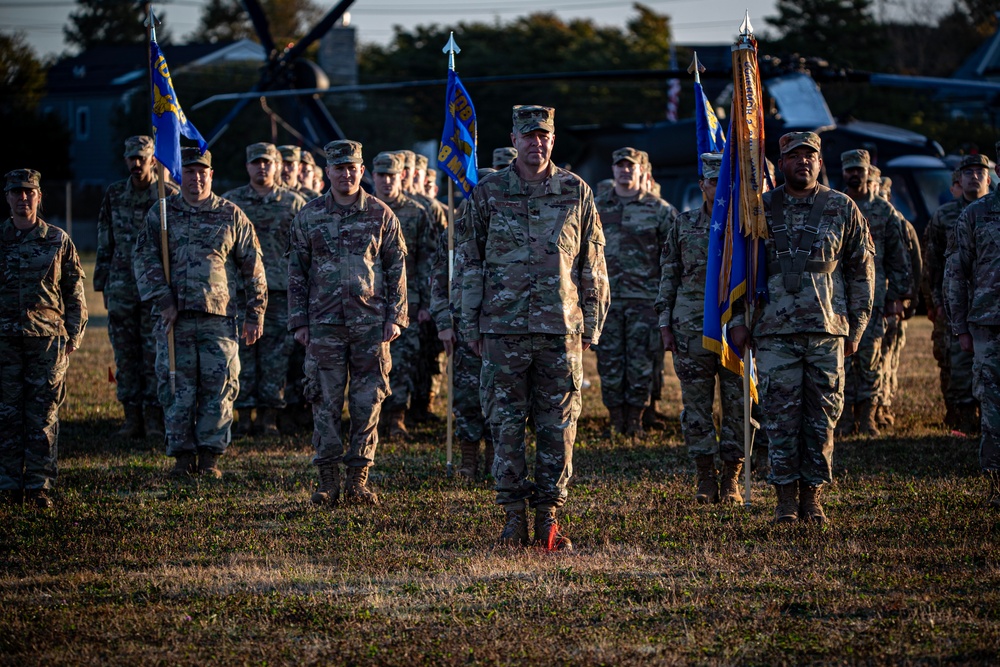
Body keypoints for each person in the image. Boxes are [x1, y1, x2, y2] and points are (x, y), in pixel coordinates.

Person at [458, 105, 610, 550]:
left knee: (557, 427)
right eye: (527, 136)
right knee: (505, 425)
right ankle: (511, 518)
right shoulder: (488, 193)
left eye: (543, 135)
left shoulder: (574, 190)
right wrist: (469, 322)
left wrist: (592, 323)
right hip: (501, 331)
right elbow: (469, 261)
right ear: (514, 138)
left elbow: (592, 261)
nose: (535, 143)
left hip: (559, 330)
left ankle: (548, 517)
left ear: (552, 139)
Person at [730, 132, 875, 525]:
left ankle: (812, 497)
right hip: (774, 332)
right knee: (779, 417)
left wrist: (857, 328)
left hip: (826, 330)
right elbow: (739, 272)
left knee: (822, 416)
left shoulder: (841, 208)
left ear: (820, 160)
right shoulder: (758, 209)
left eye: (809, 156)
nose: (803, 162)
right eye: (794, 156)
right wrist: (740, 322)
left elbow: (862, 272)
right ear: (782, 162)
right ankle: (784, 500)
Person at [134, 147, 267, 479]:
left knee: (219, 388)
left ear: (211, 174)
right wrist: (162, 298)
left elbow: (253, 267)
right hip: (173, 319)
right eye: (189, 172)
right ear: (182, 176)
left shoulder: (231, 215)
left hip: (218, 320)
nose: (195, 178)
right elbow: (144, 258)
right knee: (176, 387)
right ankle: (181, 456)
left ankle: (210, 457)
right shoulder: (162, 214)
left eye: (201, 172)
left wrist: (256, 313)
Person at [287, 140, 408, 506]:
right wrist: (299, 321)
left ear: (361, 170)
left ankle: (358, 479)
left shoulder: (381, 214)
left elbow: (397, 268)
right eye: (339, 168)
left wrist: (395, 317)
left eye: (352, 167)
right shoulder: (308, 216)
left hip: (370, 323)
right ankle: (328, 480)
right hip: (323, 324)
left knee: (367, 402)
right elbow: (296, 272)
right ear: (329, 171)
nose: (346, 174)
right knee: (323, 402)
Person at [657, 153, 745, 503]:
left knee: (738, 406)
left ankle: (732, 478)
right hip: (691, 328)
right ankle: (705, 478)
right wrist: (665, 322)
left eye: (724, 183)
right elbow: (669, 274)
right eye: (712, 182)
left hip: (737, 327)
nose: (717, 188)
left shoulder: (745, 226)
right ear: (702, 185)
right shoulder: (684, 224)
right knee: (696, 407)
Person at [0, 169, 88, 508]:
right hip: (5, 342)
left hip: (47, 342)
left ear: (39, 196)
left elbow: (74, 291)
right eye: (17, 192)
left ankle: (38, 487)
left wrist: (74, 337)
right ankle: (8, 485)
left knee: (43, 415)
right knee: (7, 415)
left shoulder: (57, 240)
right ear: (7, 197)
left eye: (29, 192)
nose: (23, 198)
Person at [95, 135, 178, 439]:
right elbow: (106, 240)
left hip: (156, 289)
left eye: (141, 157)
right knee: (125, 355)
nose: (136, 163)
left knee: (155, 354)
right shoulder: (115, 194)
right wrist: (102, 283)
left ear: (153, 159)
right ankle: (131, 418)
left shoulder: (168, 195)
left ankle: (154, 418)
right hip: (121, 286)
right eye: (131, 157)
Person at [222, 142, 307, 437]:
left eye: (267, 162)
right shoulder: (231, 204)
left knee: (275, 357)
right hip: (242, 293)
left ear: (278, 166)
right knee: (242, 355)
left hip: (281, 293)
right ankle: (243, 414)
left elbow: (303, 251)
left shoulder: (294, 204)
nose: (262, 167)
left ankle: (270, 414)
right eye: (256, 162)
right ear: (247, 167)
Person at [595, 146, 676, 437]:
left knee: (642, 362)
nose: (625, 170)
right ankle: (616, 421)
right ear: (613, 170)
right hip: (607, 300)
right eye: (620, 165)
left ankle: (636, 421)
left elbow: (673, 257)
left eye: (631, 166)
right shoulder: (597, 206)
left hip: (645, 300)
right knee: (610, 362)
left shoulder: (660, 210)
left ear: (642, 170)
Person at [837, 149, 910, 437]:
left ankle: (867, 416)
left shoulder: (885, 211)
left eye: (860, 169)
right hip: (839, 301)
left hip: (874, 301)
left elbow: (898, 258)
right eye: (850, 169)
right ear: (843, 172)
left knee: (869, 360)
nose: (855, 174)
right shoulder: (836, 205)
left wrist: (899, 297)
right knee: (841, 361)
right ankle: (843, 419)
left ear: (869, 172)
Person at [945, 142, 1000, 509]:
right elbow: (956, 273)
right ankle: (997, 483)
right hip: (989, 326)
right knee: (994, 410)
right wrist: (961, 328)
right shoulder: (977, 214)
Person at [431, 167, 496, 482]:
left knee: (502, 399)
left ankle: (498, 462)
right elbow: (439, 282)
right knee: (467, 399)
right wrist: (444, 322)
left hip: (501, 328)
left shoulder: (510, 230)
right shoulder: (454, 232)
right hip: (462, 327)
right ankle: (468, 463)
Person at [368, 151, 434, 439]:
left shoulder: (417, 212)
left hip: (406, 301)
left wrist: (423, 302)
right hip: (368, 302)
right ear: (372, 177)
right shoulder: (363, 209)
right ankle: (370, 416)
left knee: (405, 360)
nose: (385, 181)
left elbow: (426, 261)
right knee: (369, 362)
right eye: (381, 175)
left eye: (391, 176)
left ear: (402, 177)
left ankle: (397, 417)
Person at [924, 155, 991, 433]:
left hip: (990, 302)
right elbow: (934, 262)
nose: (974, 176)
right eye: (968, 172)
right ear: (959, 179)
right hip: (957, 302)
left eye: (980, 172)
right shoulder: (946, 215)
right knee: (956, 362)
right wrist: (935, 301)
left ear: (989, 178)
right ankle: (961, 418)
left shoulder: (993, 210)